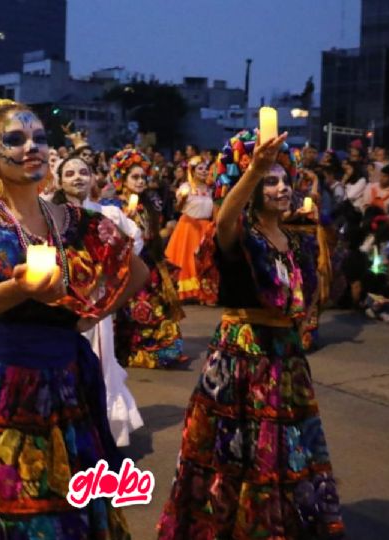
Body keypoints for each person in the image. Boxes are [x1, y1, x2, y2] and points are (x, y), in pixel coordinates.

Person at [0, 99, 147, 539]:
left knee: (68, 507)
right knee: (12, 508)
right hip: (6, 388)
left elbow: (137, 272)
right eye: (15, 140)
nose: (31, 147)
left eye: (39, 138)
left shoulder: (78, 221)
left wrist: (87, 316)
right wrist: (21, 287)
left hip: (68, 385)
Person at [157, 129, 345, 539]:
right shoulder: (239, 235)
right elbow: (225, 218)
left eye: (284, 179)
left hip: (287, 356)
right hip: (242, 357)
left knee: (286, 448)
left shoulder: (296, 240)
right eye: (269, 181)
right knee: (235, 451)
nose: (281, 188)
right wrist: (254, 167)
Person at [53, 153, 146, 446]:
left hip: (99, 301)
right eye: (69, 174)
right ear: (59, 181)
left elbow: (135, 239)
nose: (77, 177)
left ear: (93, 177)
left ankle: (102, 433)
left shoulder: (109, 214)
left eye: (83, 172)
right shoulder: (52, 215)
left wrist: (113, 272)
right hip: (65, 299)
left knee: (100, 360)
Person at [110, 148, 189, 369]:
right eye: (134, 177)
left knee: (157, 309)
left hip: (151, 265)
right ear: (122, 180)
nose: (140, 181)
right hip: (126, 269)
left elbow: (155, 234)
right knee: (132, 312)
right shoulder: (114, 208)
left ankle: (158, 349)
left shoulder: (151, 204)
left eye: (143, 177)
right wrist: (125, 223)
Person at [165, 155, 218, 305]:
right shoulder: (186, 188)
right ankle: (187, 292)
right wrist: (181, 200)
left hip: (205, 228)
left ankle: (204, 292)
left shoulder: (210, 190)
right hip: (188, 228)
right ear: (193, 171)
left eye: (205, 168)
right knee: (187, 261)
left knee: (205, 262)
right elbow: (178, 208)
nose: (204, 171)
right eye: (200, 168)